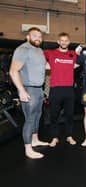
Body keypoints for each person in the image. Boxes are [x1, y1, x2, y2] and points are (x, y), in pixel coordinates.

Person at [9, 27, 48, 159]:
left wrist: (64, 63)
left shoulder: (39, 50)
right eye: (35, 35)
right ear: (28, 37)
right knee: (30, 119)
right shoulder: (23, 49)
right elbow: (13, 71)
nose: (38, 38)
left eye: (40, 36)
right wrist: (21, 90)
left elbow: (45, 66)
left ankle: (35, 139)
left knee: (38, 115)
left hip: (39, 89)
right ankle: (28, 148)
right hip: (29, 88)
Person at [44, 32, 77, 147]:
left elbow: (83, 58)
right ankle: (54, 137)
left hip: (69, 89)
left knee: (69, 115)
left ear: (69, 42)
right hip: (55, 89)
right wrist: (46, 65)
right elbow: (36, 56)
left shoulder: (73, 54)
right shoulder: (50, 53)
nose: (64, 42)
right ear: (58, 42)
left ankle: (69, 136)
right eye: (61, 40)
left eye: (66, 40)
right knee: (54, 115)